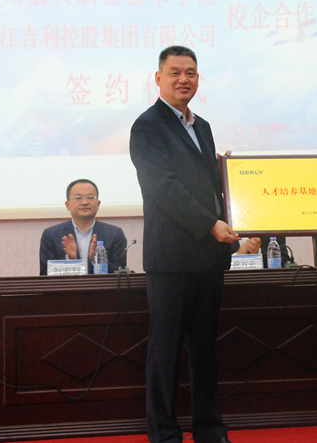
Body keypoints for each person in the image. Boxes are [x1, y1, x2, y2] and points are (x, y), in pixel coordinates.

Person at [130, 46, 238, 443]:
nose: (183, 79)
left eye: (190, 73)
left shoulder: (202, 126)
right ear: (158, 78)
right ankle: (164, 433)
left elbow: (206, 184)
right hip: (172, 257)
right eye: (175, 72)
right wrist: (211, 224)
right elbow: (164, 187)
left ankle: (208, 428)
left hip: (208, 257)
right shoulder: (147, 126)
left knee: (205, 348)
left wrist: (233, 193)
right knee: (166, 349)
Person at [39, 179, 127, 275]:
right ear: (68, 205)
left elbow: (120, 272)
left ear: (98, 204)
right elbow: (45, 273)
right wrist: (71, 260)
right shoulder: (51, 235)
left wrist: (95, 260)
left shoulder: (114, 234)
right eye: (78, 198)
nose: (84, 202)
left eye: (90, 197)